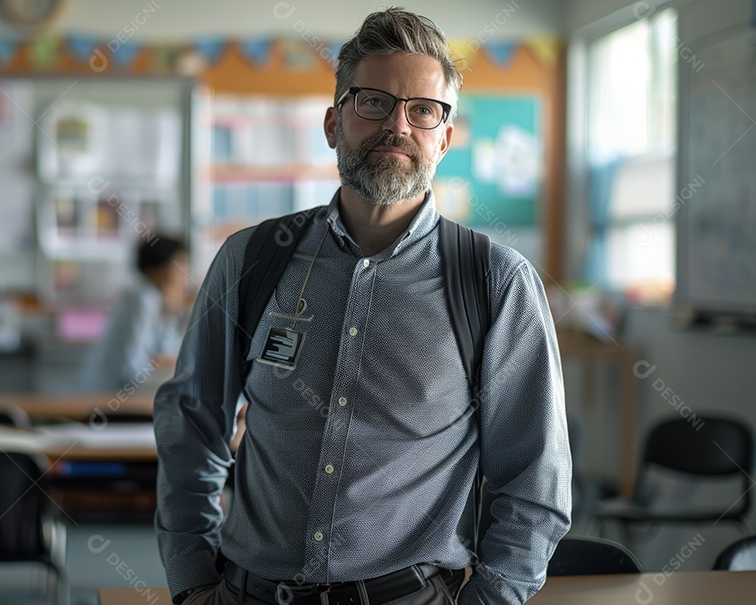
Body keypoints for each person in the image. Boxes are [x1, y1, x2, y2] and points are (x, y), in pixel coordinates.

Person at [153, 8, 571, 605]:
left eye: (424, 110)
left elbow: (535, 480)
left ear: (445, 138)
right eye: (373, 102)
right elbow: (192, 422)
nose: (398, 125)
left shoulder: (494, 282)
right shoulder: (251, 259)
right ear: (333, 123)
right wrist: (192, 578)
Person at [78, 234, 191, 392]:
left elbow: (169, 353)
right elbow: (132, 369)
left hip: (125, 396)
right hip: (111, 399)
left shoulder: (158, 302)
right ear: (154, 270)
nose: (184, 276)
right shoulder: (142, 299)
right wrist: (162, 363)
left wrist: (170, 314)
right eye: (178, 268)